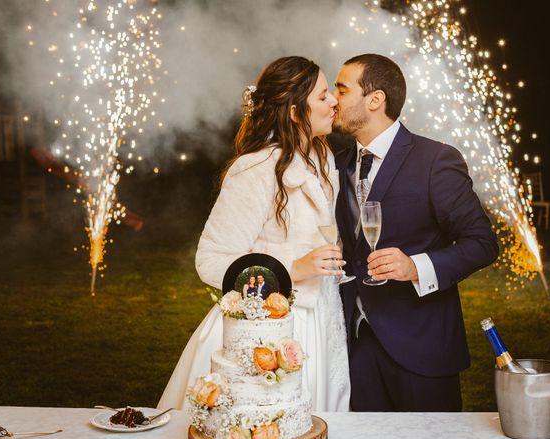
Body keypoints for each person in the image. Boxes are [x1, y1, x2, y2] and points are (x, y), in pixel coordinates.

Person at [158, 56, 350, 412]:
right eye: (323, 96)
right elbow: (211, 261)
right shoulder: (256, 169)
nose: (334, 101)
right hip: (269, 328)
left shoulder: (323, 157)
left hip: (324, 315)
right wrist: (292, 269)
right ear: (295, 112)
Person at [332, 53, 499, 412]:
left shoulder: (434, 160)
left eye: (342, 90)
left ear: (375, 100)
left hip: (422, 346)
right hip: (355, 345)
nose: (333, 99)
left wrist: (415, 267)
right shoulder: (338, 163)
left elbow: (483, 242)